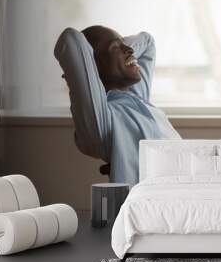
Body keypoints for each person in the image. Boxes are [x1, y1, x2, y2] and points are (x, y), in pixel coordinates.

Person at [54, 26, 181, 185]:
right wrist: (90, 66)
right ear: (93, 66)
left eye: (125, 44)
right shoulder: (102, 123)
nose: (130, 49)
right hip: (158, 205)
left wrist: (118, 49)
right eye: (115, 48)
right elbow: (71, 40)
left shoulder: (138, 99)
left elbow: (148, 42)